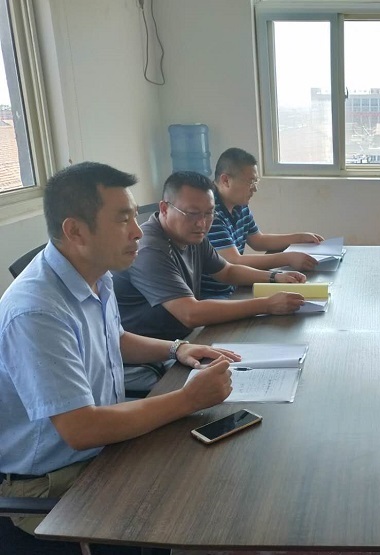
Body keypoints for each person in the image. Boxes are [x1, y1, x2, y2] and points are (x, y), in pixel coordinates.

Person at [0, 162, 237, 553]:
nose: (138, 231)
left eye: (135, 216)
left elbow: (115, 338)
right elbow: (81, 429)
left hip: (98, 451)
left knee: (208, 472)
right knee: (192, 502)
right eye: (123, 219)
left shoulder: (96, 273)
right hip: (51, 485)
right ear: (76, 231)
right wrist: (188, 399)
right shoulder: (36, 311)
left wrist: (176, 348)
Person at [113, 171, 307, 361]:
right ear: (164, 208)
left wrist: (274, 277)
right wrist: (267, 304)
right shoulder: (149, 249)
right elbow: (190, 313)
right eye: (192, 214)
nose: (202, 223)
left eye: (209, 213)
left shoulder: (192, 236)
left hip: (183, 341)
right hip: (153, 355)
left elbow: (227, 271)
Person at [202, 147, 324, 298]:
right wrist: (288, 258)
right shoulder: (209, 213)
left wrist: (299, 237)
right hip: (214, 294)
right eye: (250, 182)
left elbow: (258, 241)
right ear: (226, 180)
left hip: (235, 287)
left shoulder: (239, 205)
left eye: (256, 181)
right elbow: (234, 261)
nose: (255, 189)